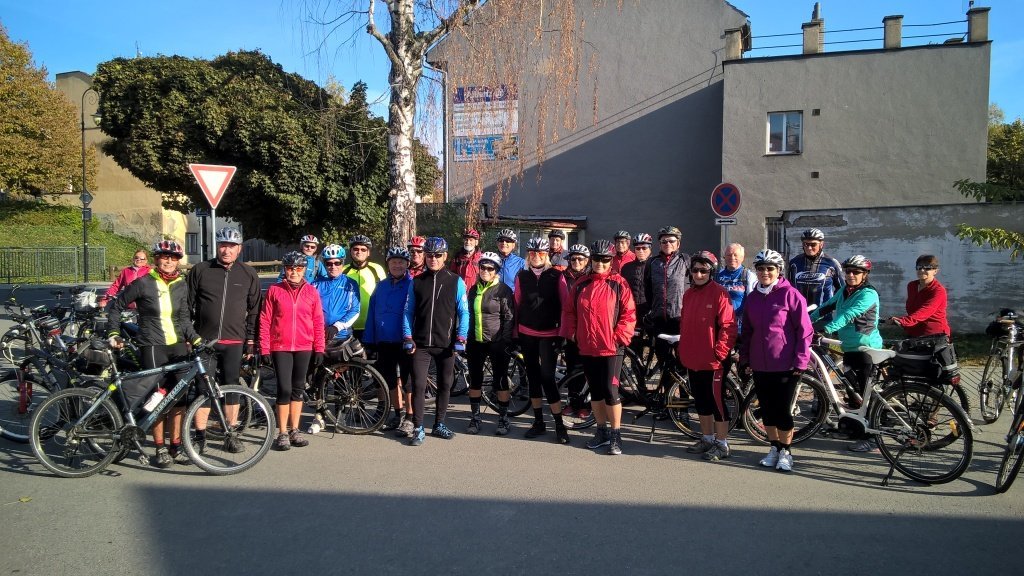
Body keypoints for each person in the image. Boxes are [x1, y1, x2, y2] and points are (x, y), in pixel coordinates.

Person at [107, 240, 200, 468]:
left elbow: (184, 319)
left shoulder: (181, 284)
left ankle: (175, 446)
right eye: (164, 256)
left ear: (178, 261)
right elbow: (116, 306)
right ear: (156, 259)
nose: (169, 261)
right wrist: (113, 333)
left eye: (173, 257)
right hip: (152, 345)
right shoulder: (143, 283)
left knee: (179, 398)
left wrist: (195, 338)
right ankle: (160, 448)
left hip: (178, 346)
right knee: (158, 398)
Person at [186, 226, 262, 454]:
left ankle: (231, 434)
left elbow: (254, 310)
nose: (226, 250)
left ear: (239, 249)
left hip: (234, 341)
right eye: (222, 245)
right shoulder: (201, 270)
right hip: (205, 341)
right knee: (203, 388)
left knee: (232, 387)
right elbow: (186, 306)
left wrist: (251, 339)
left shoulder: (248, 273)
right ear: (217, 246)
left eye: (231, 246)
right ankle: (200, 436)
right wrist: (189, 336)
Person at [739, 249, 812, 472]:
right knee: (767, 410)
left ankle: (786, 452)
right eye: (760, 268)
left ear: (778, 270)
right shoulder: (752, 298)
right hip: (760, 364)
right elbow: (747, 332)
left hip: (785, 364)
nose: (765, 272)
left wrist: (801, 361)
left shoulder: (791, 295)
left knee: (782, 411)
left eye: (770, 268)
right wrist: (745, 359)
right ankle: (774, 447)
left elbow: (804, 331)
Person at [562, 240, 636, 455]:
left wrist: (619, 337)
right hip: (587, 346)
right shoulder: (581, 284)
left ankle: (616, 435)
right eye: (596, 259)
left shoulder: (619, 283)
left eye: (605, 259)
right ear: (591, 260)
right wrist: (573, 333)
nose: (600, 263)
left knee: (610, 392)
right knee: (595, 392)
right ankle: (601, 431)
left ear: (611, 261)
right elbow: (569, 311)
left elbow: (629, 314)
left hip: (611, 348)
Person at [810, 254, 883, 453]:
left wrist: (825, 329)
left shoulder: (868, 294)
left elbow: (848, 315)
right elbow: (826, 307)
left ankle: (873, 439)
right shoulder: (844, 290)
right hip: (849, 348)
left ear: (865, 274)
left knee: (866, 395)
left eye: (856, 272)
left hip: (867, 350)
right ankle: (853, 429)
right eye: (848, 271)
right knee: (852, 392)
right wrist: (806, 321)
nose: (851, 275)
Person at [402, 237, 469, 446]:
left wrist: (461, 337)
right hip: (420, 344)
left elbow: (464, 312)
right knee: (419, 386)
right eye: (429, 255)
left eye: (437, 255)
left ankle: (439, 423)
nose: (433, 259)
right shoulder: (416, 281)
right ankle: (418, 427)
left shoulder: (456, 281)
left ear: (445, 256)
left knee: (445, 385)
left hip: (446, 344)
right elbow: (408, 311)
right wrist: (407, 336)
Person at [260, 251, 325, 451]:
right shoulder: (274, 290)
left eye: (298, 268)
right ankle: (282, 432)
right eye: (290, 268)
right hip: (281, 346)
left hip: (304, 346)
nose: (294, 272)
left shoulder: (312, 292)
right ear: (284, 269)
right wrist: (264, 348)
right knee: (284, 389)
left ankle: (294, 430)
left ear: (304, 270)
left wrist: (319, 348)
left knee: (297, 388)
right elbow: (265, 320)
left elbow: (318, 321)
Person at [677, 251, 737, 462]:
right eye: (695, 270)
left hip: (713, 361)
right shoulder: (688, 294)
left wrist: (720, 352)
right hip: (693, 358)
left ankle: (722, 443)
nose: (699, 274)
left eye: (704, 270)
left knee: (716, 403)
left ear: (711, 272)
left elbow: (728, 327)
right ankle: (707, 438)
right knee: (701, 401)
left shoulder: (720, 293)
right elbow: (685, 324)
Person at [515, 236, 570, 444]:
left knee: (547, 377)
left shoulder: (556, 275)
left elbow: (565, 306)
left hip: (549, 334)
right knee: (533, 378)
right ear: (528, 255)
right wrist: (515, 335)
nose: (536, 256)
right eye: (532, 253)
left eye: (540, 253)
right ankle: (538, 422)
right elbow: (517, 304)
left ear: (546, 255)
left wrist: (563, 334)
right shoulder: (522, 276)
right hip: (527, 332)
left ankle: (559, 424)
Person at [363, 247, 416, 436]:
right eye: (393, 262)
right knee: (390, 379)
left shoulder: (412, 284)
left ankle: (410, 417)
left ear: (407, 264)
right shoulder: (381, 286)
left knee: (408, 381)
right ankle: (397, 413)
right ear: (388, 264)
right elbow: (372, 313)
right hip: (384, 339)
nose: (397, 265)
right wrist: (369, 340)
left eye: (401, 262)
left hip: (404, 340)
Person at [465, 251, 515, 436]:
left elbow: (509, 317)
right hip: (476, 341)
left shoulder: (503, 290)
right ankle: (475, 418)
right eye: (483, 267)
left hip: (497, 342)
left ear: (496, 271)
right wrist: (465, 337)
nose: (485, 271)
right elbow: (468, 315)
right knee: (475, 380)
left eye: (490, 268)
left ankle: (503, 419)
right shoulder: (473, 289)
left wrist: (505, 341)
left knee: (500, 381)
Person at [643, 225, 690, 387]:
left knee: (683, 361)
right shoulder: (652, 263)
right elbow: (648, 289)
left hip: (680, 320)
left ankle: (683, 397)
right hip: (659, 320)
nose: (667, 244)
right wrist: (653, 310)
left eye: (671, 241)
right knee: (664, 362)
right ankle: (667, 397)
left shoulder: (686, 260)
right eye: (664, 241)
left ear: (678, 243)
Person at [888, 255, 950, 339]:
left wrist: (904, 321)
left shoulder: (938, 291)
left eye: (927, 268)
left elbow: (924, 311)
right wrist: (898, 321)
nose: (922, 270)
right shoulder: (912, 286)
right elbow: (912, 310)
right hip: (913, 333)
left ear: (935, 271)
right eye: (919, 267)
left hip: (934, 335)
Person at [787, 228, 844, 309]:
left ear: (821, 244)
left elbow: (841, 289)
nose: (809, 248)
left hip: (823, 313)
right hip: (799, 312)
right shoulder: (794, 263)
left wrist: (831, 305)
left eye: (813, 244)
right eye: (806, 244)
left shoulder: (832, 263)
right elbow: (789, 288)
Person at [344, 234, 386, 340]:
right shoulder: (343, 271)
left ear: (368, 252)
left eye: (363, 249)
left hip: (372, 325)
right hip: (348, 326)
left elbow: (385, 295)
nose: (359, 252)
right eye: (356, 249)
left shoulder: (377, 269)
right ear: (350, 251)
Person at [620, 232, 653, 355]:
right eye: (638, 248)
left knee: (655, 345)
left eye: (644, 248)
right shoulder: (626, 267)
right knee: (634, 346)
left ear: (650, 248)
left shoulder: (656, 265)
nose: (641, 251)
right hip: (633, 312)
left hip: (651, 311)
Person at [714, 242, 756, 324]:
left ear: (742, 257)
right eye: (729, 255)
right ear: (724, 257)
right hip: (720, 323)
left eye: (735, 255)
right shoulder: (717, 275)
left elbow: (753, 302)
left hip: (740, 324)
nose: (732, 258)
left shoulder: (748, 275)